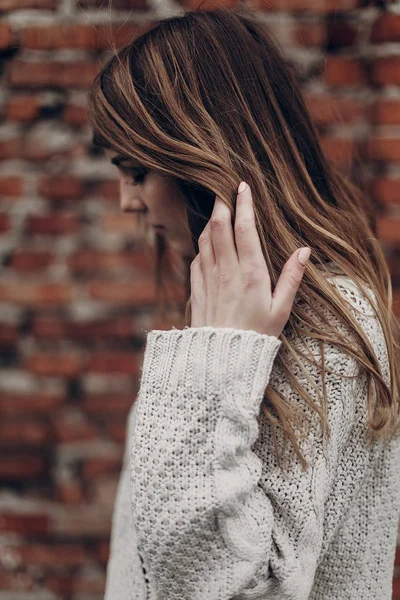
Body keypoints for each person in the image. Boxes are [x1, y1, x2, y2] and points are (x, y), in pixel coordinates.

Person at [86, 6, 400, 599]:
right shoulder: (226, 311)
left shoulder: (329, 328)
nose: (127, 203)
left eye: (135, 171)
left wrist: (215, 359)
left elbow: (239, 589)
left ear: (198, 162)